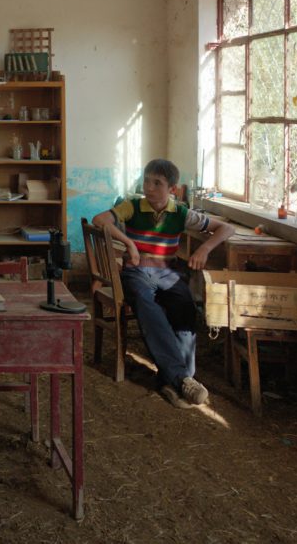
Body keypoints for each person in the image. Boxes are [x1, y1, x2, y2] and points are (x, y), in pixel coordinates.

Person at [92, 159, 234, 408]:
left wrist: (204, 249)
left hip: (168, 273)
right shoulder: (132, 206)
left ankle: (173, 382)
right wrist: (129, 243)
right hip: (136, 272)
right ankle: (182, 380)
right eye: (147, 180)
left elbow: (226, 228)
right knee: (148, 306)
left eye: (157, 183)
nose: (149, 187)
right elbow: (99, 219)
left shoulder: (181, 213)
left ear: (172, 189)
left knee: (185, 306)